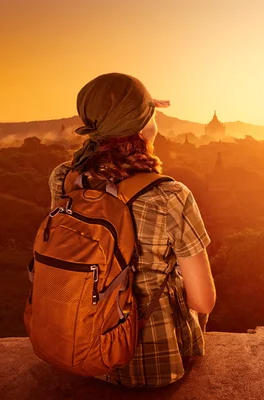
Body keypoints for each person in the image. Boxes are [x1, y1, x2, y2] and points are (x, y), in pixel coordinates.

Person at [48, 72, 216, 388]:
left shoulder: (65, 180)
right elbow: (203, 302)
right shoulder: (169, 196)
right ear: (143, 128)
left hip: (76, 348)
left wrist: (131, 109)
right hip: (151, 368)